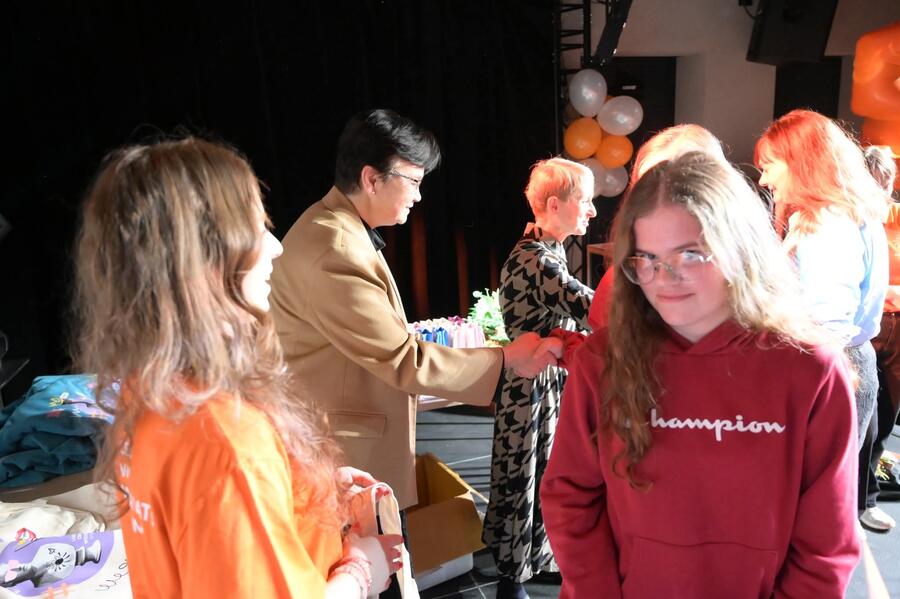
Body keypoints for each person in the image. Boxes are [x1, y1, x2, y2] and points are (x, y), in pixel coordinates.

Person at [72, 137, 402, 598]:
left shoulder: (148, 390)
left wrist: (301, 490)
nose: (275, 247)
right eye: (255, 227)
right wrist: (363, 570)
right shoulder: (227, 442)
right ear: (201, 261)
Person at [541, 153, 860, 598]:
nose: (664, 278)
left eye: (690, 254)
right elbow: (570, 498)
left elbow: (826, 546)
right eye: (646, 258)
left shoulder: (810, 369)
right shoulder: (603, 360)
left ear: (740, 249)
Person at [269, 109, 560, 514]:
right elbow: (403, 358)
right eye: (414, 182)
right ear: (372, 179)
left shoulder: (336, 227)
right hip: (342, 457)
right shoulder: (336, 249)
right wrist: (507, 358)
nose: (419, 197)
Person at [482, 158, 596, 599]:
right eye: (585, 201)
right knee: (523, 476)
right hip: (529, 384)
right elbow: (589, 307)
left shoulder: (544, 249)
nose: (592, 211)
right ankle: (511, 581)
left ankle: (532, 562)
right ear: (554, 204)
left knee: (541, 474)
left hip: (542, 381)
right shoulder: (537, 260)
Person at [756, 109, 889, 451]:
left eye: (769, 167)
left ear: (801, 162)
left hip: (832, 367)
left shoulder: (828, 220)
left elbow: (828, 323)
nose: (764, 180)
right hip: (842, 363)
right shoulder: (840, 212)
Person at [588, 124, 728, 330]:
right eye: (645, 189)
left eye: (679, 189)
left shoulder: (758, 304)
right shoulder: (617, 288)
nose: (658, 202)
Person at [859, 144, 900, 531]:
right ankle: (860, 500)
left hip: (897, 327)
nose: (881, 189)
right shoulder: (849, 220)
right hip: (865, 329)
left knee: (886, 419)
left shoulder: (895, 216)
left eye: (885, 181)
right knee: (862, 421)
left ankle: (868, 497)